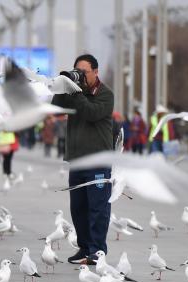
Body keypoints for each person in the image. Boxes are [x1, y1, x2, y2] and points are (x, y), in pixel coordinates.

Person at [51, 53, 115, 265]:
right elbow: (57, 108)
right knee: (78, 208)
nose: (80, 76)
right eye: (77, 71)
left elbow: (91, 113)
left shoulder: (105, 94)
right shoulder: (73, 93)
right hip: (77, 161)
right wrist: (63, 85)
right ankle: (85, 247)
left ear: (96, 72)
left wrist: (76, 91)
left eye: (84, 72)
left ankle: (97, 252)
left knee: (98, 208)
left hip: (98, 162)